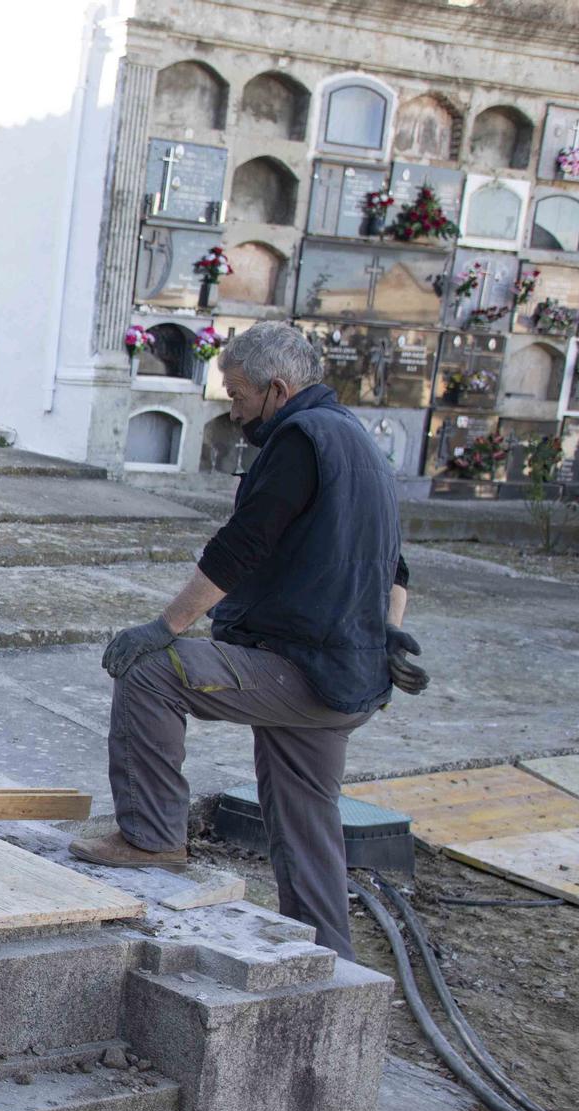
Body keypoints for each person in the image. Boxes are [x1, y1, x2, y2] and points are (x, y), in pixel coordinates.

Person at [72, 321, 425, 960]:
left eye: (237, 395)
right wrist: (389, 631)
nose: (232, 410)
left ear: (278, 388)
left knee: (152, 671)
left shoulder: (300, 437)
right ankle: (329, 958)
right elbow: (395, 566)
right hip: (345, 677)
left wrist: (165, 627)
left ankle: (152, 836)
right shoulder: (360, 442)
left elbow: (243, 543)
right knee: (305, 820)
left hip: (304, 668)